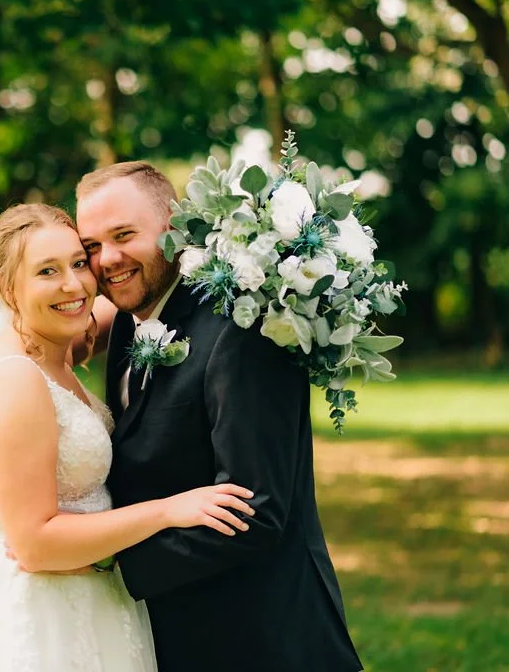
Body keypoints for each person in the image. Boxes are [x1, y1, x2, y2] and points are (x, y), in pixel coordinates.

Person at [0, 202, 256, 671]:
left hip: (90, 600)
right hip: (38, 616)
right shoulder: (15, 380)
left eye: (79, 263)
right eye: (47, 271)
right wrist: (167, 511)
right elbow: (34, 543)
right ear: (8, 287)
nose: (74, 285)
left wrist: (245, 261)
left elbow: (136, 300)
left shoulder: (58, 352)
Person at [74, 161, 364, 672]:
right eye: (92, 246)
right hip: (178, 636)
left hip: (263, 639)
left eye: (123, 235)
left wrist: (115, 566)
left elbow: (256, 514)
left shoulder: (242, 331)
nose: (108, 260)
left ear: (175, 224)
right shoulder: (124, 323)